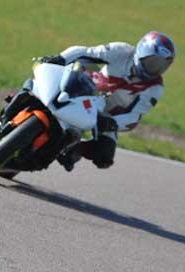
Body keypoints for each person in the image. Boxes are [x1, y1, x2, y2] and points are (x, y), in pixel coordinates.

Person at [36, 31, 175, 171]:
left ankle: (73, 148)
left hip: (105, 115)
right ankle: (20, 98)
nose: (154, 69)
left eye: (161, 66)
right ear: (141, 52)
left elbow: (134, 116)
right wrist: (60, 59)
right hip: (87, 87)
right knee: (51, 78)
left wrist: (112, 123)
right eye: (152, 62)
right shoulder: (121, 50)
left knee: (104, 156)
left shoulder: (155, 88)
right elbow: (85, 52)